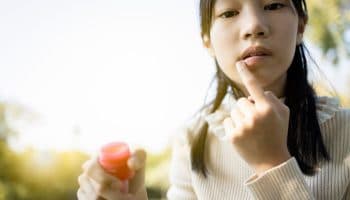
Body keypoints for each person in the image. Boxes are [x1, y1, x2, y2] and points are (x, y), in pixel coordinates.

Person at [77, 0, 350, 199]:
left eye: (273, 5)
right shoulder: (192, 141)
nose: (254, 26)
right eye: (229, 12)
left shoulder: (346, 131)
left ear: (301, 25)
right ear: (207, 41)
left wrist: (272, 164)